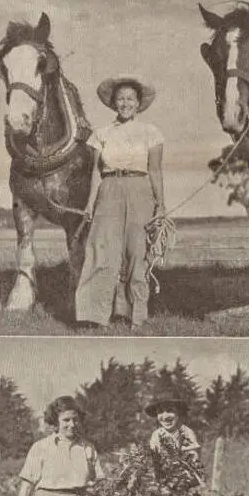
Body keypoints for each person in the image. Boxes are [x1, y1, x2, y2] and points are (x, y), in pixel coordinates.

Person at [74, 77, 164, 328]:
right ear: (113, 103)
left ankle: (136, 316)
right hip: (108, 191)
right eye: (120, 99)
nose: (125, 103)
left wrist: (161, 205)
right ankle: (94, 316)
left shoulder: (151, 132)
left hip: (140, 190)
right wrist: (91, 203)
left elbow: (155, 170)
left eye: (129, 99)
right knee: (102, 251)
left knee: (137, 252)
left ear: (138, 104)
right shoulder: (100, 134)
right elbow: (96, 172)